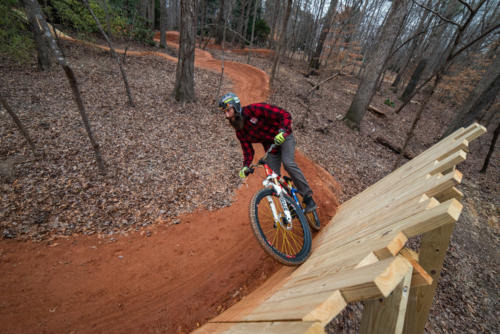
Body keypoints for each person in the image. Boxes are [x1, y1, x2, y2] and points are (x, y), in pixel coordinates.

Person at [218, 92, 317, 213]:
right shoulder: (240, 132)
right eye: (224, 112)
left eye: (228, 110)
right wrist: (245, 166)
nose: (226, 116)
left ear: (235, 106)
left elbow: (285, 114)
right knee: (272, 178)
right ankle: (291, 204)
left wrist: (283, 131)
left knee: (288, 163)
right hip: (271, 147)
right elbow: (248, 151)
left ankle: (308, 197)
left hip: (284, 137)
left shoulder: (254, 110)